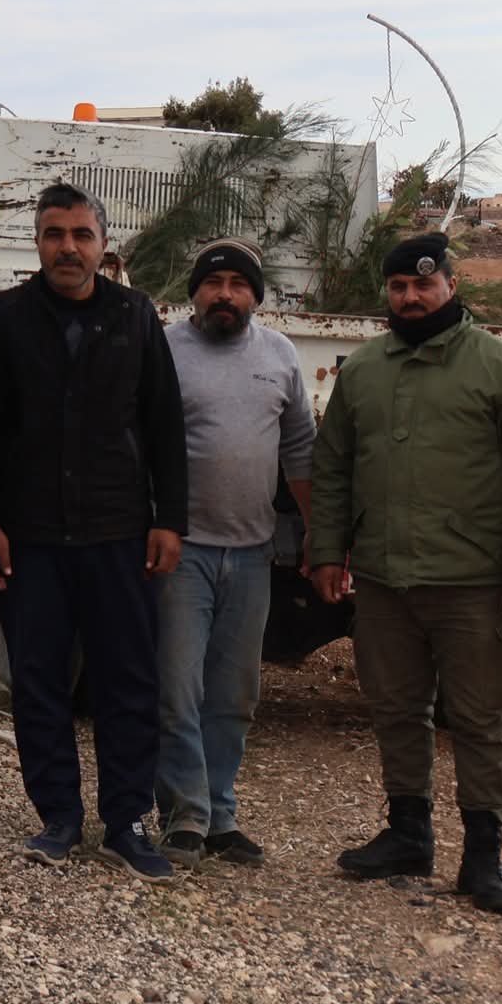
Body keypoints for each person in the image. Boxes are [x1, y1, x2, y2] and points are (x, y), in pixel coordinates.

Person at [308, 231, 502, 915]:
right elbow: (333, 468)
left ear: (451, 284)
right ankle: (408, 834)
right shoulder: (364, 369)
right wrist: (327, 551)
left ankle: (484, 856)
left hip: (471, 580)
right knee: (395, 707)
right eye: (399, 287)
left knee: (478, 718)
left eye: (424, 284)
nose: (411, 297)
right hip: (384, 579)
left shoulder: (499, 367)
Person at [0, 182, 187, 883]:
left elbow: (164, 425)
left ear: (103, 244)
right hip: (30, 536)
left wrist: (169, 520)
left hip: (118, 533)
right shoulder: (5, 318)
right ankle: (58, 815)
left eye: (81, 235)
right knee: (38, 680)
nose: (68, 247)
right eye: (55, 234)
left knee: (128, 681)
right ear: (37, 242)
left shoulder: (134, 316)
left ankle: (126, 822)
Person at [154, 239, 313, 869]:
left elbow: (299, 448)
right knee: (177, 690)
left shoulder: (280, 355)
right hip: (181, 551)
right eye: (213, 283)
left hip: (252, 553)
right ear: (194, 292)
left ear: (256, 296)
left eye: (238, 285)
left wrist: (318, 533)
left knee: (234, 695)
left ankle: (220, 814)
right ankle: (184, 816)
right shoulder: (163, 349)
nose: (225, 294)